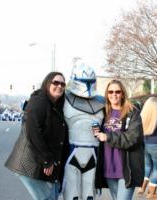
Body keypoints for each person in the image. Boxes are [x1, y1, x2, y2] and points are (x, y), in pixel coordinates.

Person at [5, 72, 69, 200]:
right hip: (31, 163)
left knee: (52, 196)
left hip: (42, 163)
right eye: (55, 82)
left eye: (62, 84)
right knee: (48, 198)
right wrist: (47, 160)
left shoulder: (55, 105)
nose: (59, 86)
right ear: (47, 83)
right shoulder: (39, 101)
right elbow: (33, 132)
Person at [94, 79, 144, 200]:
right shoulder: (103, 113)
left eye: (117, 91)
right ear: (107, 94)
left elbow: (133, 138)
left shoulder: (132, 113)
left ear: (122, 94)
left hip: (126, 169)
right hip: (108, 168)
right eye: (110, 92)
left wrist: (108, 136)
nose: (114, 94)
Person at [62, 60, 105, 200]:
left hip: (93, 152)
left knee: (89, 195)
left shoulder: (102, 102)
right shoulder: (64, 99)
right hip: (72, 150)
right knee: (71, 194)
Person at [137, 97, 157, 199]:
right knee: (156, 170)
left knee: (147, 167)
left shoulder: (142, 117)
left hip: (146, 145)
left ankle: (142, 188)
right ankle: (151, 194)